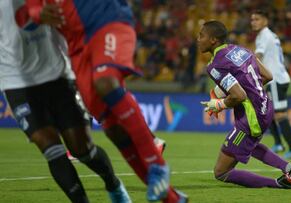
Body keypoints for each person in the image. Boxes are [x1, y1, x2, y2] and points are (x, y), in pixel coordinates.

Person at [25, 0, 187, 202]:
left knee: (105, 82)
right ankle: (172, 198)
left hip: (108, 22)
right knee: (111, 126)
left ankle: (158, 165)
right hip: (77, 47)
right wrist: (40, 13)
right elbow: (33, 11)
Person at [0, 0, 130, 202]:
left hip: (58, 75)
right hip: (16, 81)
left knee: (82, 149)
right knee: (49, 146)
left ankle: (113, 183)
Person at [198, 20, 291, 189]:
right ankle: (289, 169)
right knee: (249, 145)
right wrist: (249, 89)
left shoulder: (216, 65)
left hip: (251, 117)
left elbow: (238, 96)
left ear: (213, 40)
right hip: (266, 107)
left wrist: (219, 105)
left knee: (221, 172)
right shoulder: (240, 50)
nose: (198, 39)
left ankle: (279, 183)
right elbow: (268, 75)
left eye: (201, 35)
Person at [251, 10, 291, 159]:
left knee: (279, 114)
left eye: (257, 19)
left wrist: (245, 68)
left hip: (275, 80)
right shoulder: (266, 35)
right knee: (269, 112)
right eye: (252, 19)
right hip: (274, 79)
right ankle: (279, 143)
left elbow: (257, 56)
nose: (253, 22)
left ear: (265, 20)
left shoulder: (264, 36)